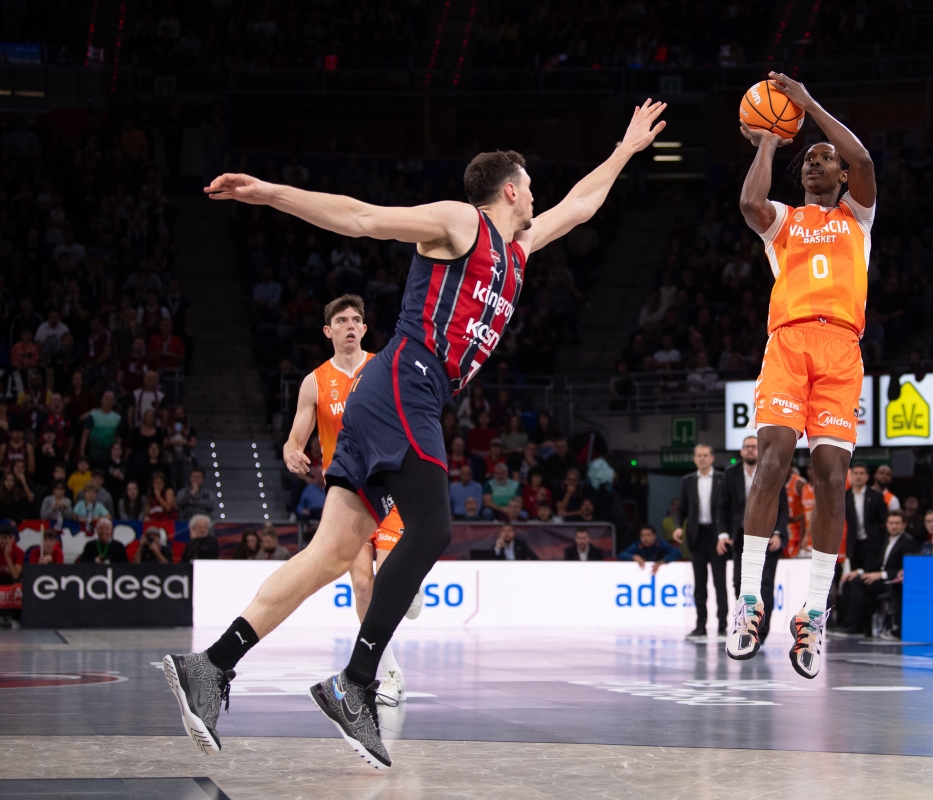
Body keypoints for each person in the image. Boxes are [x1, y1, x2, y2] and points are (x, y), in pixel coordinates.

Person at [164, 98, 668, 769]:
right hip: (406, 381)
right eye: (531, 187)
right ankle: (357, 683)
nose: (539, 198)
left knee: (326, 557)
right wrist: (270, 194)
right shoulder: (462, 224)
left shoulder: (517, 251)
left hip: (409, 396)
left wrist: (627, 149)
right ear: (511, 189)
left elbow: (581, 204)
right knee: (431, 531)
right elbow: (363, 218)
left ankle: (211, 665)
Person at [734, 73, 876, 674]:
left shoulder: (858, 218)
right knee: (772, 462)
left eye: (826, 159)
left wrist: (809, 104)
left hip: (841, 347)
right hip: (789, 343)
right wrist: (769, 138)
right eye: (809, 159)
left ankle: (813, 614)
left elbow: (864, 156)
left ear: (840, 175)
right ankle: (748, 601)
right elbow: (748, 204)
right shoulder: (785, 223)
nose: (816, 163)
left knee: (831, 476)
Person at [281, 294, 413, 704]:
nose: (351, 325)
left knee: (394, 585)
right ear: (329, 331)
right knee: (361, 585)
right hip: (348, 496)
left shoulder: (382, 368)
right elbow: (295, 438)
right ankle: (389, 673)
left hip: (390, 488)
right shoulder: (314, 382)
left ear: (364, 329)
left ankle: (412, 585)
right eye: (342, 320)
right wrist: (290, 451)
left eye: (357, 319)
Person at [718, 435, 788, 651]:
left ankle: (761, 631)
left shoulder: (773, 469)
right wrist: (722, 534)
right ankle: (743, 626)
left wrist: (778, 532)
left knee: (766, 584)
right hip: (741, 536)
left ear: (760, 451)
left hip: (769, 538)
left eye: (754, 447)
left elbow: (782, 506)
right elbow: (722, 506)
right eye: (746, 447)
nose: (750, 450)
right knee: (740, 583)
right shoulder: (730, 474)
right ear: (741, 451)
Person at [671, 443, 727, 639]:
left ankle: (722, 626)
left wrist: (725, 533)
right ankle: (700, 626)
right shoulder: (688, 481)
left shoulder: (722, 479)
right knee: (699, 584)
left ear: (712, 458)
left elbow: (727, 507)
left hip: (717, 537)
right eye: (699, 455)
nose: (702, 458)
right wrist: (678, 526)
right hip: (696, 536)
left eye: (706, 455)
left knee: (720, 583)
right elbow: (681, 510)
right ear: (695, 458)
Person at [837, 510, 915, 636]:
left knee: (859, 584)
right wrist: (859, 571)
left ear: (904, 525)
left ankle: (855, 626)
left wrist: (880, 575)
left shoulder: (907, 542)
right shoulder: (885, 539)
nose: (894, 526)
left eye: (897, 523)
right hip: (880, 579)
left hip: (892, 582)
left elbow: (905, 569)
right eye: (891, 523)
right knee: (850, 580)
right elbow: (876, 564)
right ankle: (849, 623)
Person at [845, 463, 888, 574]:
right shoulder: (845, 496)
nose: (858, 476)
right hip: (853, 544)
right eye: (855, 473)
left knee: (869, 576)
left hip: (872, 544)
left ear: (867, 477)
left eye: (862, 473)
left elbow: (884, 521)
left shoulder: (876, 496)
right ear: (850, 476)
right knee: (854, 578)